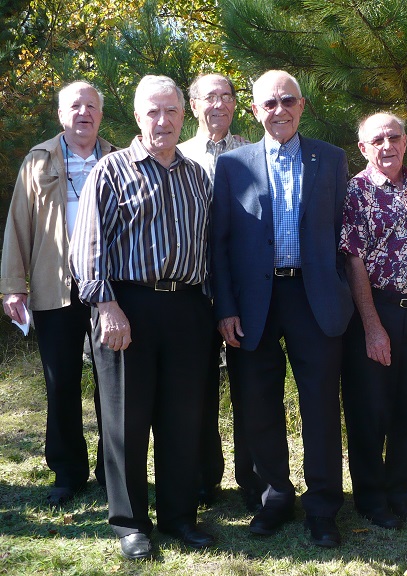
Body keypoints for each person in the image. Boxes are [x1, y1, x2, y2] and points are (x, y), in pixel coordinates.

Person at [69, 75, 215, 560]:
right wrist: (106, 305)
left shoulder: (196, 174)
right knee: (126, 422)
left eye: (171, 111)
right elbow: (87, 246)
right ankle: (130, 523)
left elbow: (209, 246)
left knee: (183, 418)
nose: (162, 120)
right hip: (127, 307)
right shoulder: (111, 171)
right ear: (136, 117)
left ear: (183, 115)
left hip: (187, 308)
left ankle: (178, 517)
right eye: (152, 111)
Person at [210, 70, 353, 548]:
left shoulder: (331, 159)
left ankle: (323, 506)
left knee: (319, 405)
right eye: (268, 103)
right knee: (258, 403)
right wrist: (226, 306)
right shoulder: (233, 165)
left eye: (287, 101)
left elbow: (341, 235)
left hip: (313, 299)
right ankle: (275, 495)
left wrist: (337, 289)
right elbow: (220, 243)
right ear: (254, 111)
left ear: (302, 105)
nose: (279, 110)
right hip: (255, 302)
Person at [0, 81, 117, 506]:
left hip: (109, 291)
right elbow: (18, 226)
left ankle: (113, 473)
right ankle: (68, 472)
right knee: (61, 382)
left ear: (100, 115)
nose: (83, 112)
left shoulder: (119, 159)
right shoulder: (38, 160)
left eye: (91, 106)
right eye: (75, 106)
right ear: (61, 115)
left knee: (113, 386)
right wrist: (13, 285)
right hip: (56, 289)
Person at [340, 112, 407, 530]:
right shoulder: (355, 192)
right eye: (376, 140)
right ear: (363, 148)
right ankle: (370, 498)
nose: (387, 146)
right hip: (375, 311)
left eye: (393, 137)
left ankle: (401, 493)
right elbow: (353, 259)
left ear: (404, 141)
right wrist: (372, 325)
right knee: (370, 410)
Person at [177, 73, 260, 509]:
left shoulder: (251, 154)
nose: (220, 104)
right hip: (192, 290)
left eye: (227, 96)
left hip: (242, 291)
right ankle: (204, 478)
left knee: (248, 388)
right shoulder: (179, 154)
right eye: (209, 97)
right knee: (196, 389)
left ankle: (251, 481)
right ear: (193, 106)